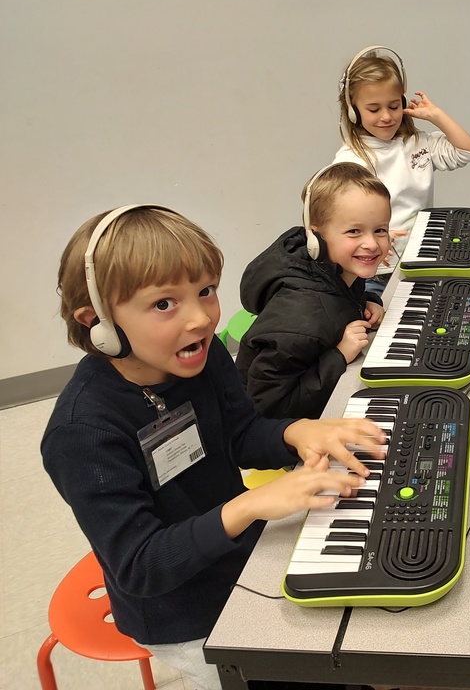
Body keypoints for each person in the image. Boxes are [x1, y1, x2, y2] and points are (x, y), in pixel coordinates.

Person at [41, 205, 386, 690]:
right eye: (165, 304)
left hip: (235, 546)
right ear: (96, 321)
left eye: (205, 291)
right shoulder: (82, 433)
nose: (201, 318)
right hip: (182, 608)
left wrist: (298, 432)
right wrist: (248, 505)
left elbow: (240, 435)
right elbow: (141, 565)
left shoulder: (200, 357)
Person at [236, 162, 391, 419]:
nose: (372, 244)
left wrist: (367, 301)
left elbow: (337, 300)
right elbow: (268, 407)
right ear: (316, 238)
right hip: (279, 433)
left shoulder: (335, 268)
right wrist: (339, 356)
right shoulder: (301, 315)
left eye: (380, 230)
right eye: (354, 231)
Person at [334, 45, 470, 297]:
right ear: (353, 110)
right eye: (373, 109)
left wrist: (435, 115)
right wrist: (373, 238)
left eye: (393, 106)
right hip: (377, 273)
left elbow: (469, 151)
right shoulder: (351, 162)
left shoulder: (419, 143)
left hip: (422, 261)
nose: (386, 116)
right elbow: (338, 224)